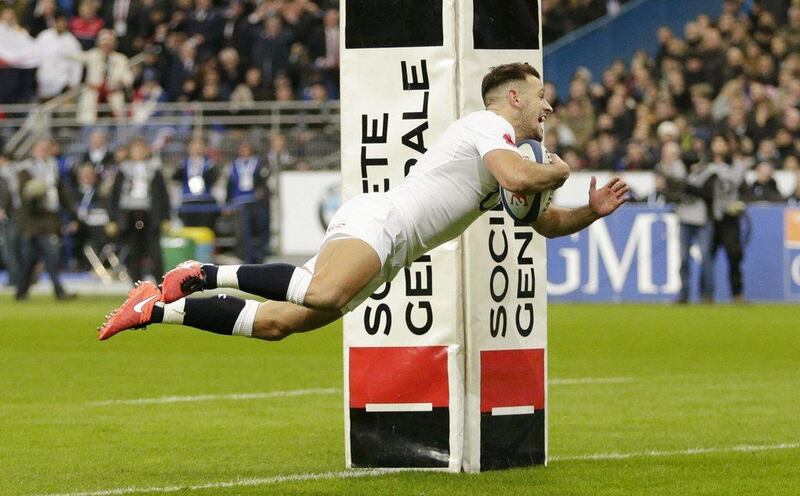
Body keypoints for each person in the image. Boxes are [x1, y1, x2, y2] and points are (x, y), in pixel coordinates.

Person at [98, 63, 630, 341]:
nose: (549, 105)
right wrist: (557, 170)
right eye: (541, 96)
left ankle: (157, 310)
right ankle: (203, 272)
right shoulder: (488, 126)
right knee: (325, 293)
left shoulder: (514, 152)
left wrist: (590, 210)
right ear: (514, 98)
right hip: (383, 221)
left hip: (392, 250)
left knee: (280, 324)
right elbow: (520, 176)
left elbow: (545, 223)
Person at [15, 139, 78, 300]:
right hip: (33, 219)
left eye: (47, 148)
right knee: (50, 254)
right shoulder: (26, 168)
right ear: (34, 149)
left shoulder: (53, 166)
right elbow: (23, 194)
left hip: (49, 217)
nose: (44, 151)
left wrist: (72, 213)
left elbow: (61, 191)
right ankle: (59, 291)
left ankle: (21, 292)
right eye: (41, 148)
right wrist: (33, 193)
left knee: (32, 257)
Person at [106, 137, 170, 285]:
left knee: (155, 253)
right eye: (136, 149)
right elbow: (115, 196)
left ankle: (161, 287)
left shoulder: (154, 169)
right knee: (134, 253)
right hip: (130, 216)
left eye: (142, 149)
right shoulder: (123, 170)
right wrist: (112, 219)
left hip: (150, 216)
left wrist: (166, 217)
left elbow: (162, 195)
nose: (139, 152)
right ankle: (136, 287)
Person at [659, 142, 715, 304]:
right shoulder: (675, 170)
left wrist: (684, 187)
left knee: (705, 258)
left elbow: (706, 193)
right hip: (684, 217)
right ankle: (684, 293)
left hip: (702, 218)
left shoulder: (708, 172)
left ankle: (707, 294)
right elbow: (670, 192)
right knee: (684, 258)